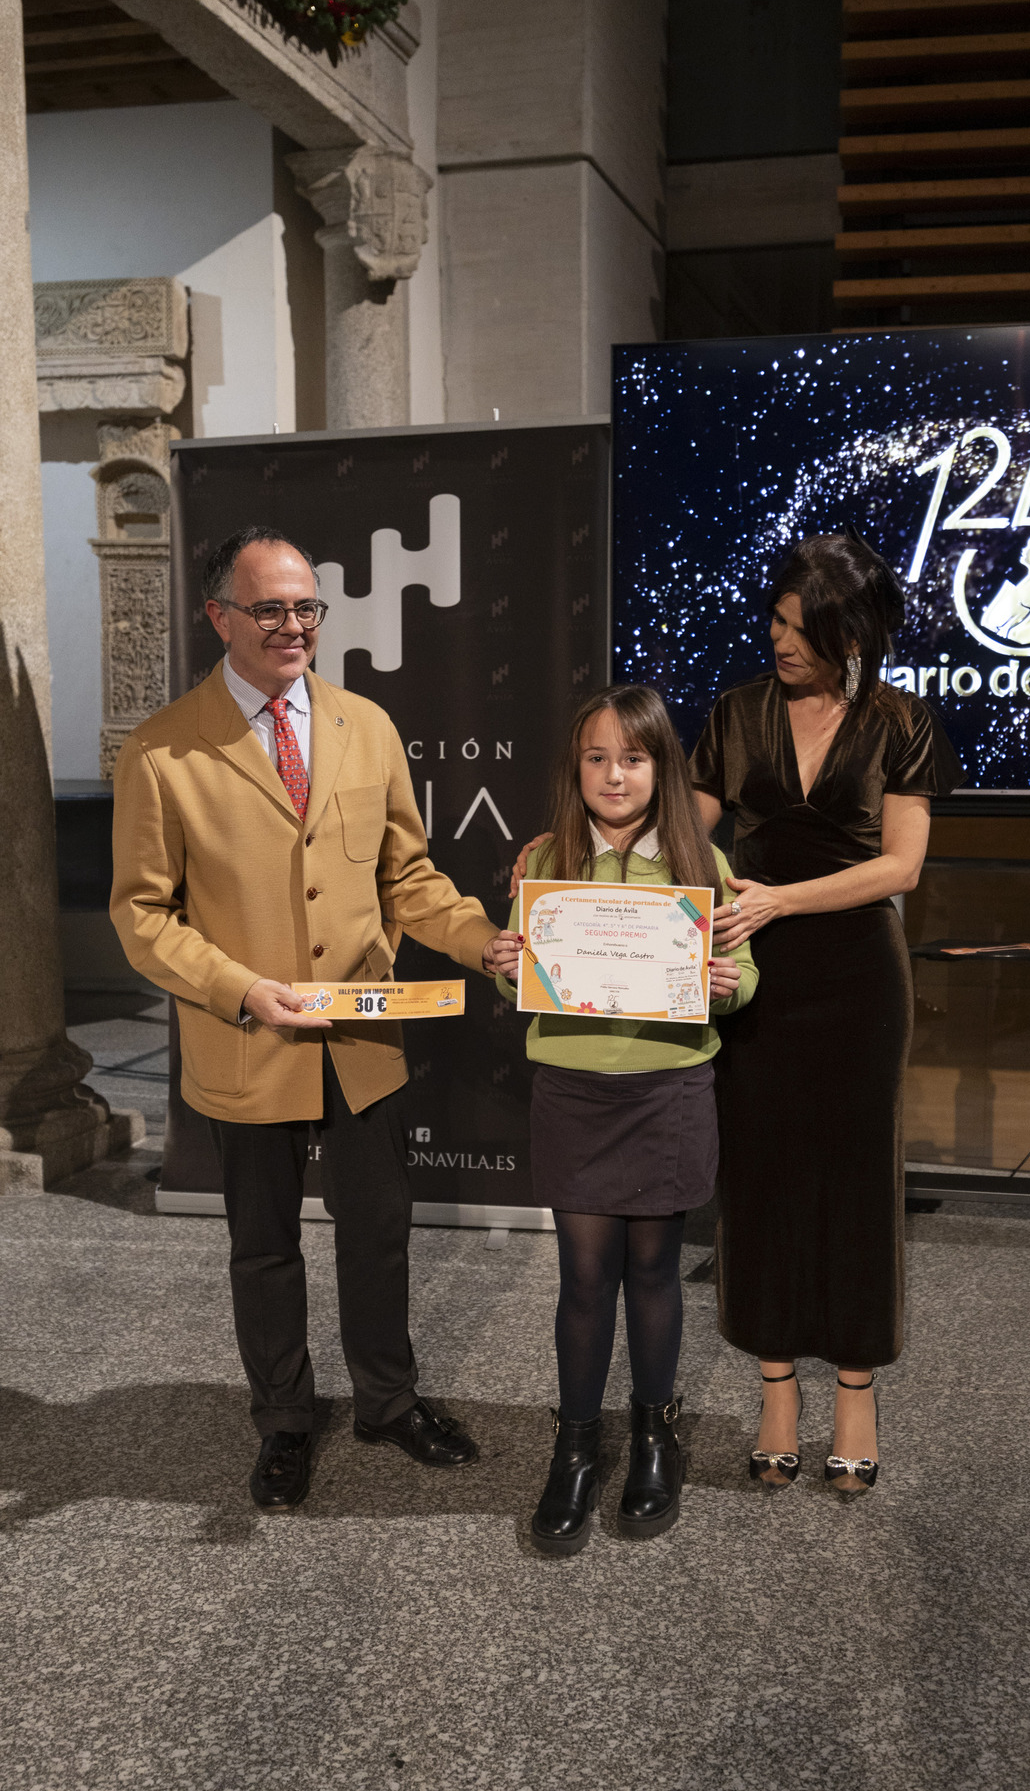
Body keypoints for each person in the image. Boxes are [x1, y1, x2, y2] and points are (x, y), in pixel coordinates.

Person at [110, 526, 508, 1511]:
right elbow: (141, 915)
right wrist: (240, 987)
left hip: (362, 1039)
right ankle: (284, 1421)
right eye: (272, 610)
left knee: (378, 1227)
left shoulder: (366, 725)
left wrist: (483, 941)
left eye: (307, 608)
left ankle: (387, 1401)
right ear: (220, 618)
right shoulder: (163, 751)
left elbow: (408, 879)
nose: (294, 627)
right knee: (264, 1244)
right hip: (250, 1039)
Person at [690, 528, 963, 1494]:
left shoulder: (903, 721)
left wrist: (778, 898)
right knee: (759, 1175)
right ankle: (775, 1391)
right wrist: (573, 852)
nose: (783, 641)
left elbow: (901, 866)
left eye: (804, 629)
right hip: (751, 977)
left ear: (851, 634)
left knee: (854, 1181)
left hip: (855, 978)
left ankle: (854, 1390)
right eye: (775, 621)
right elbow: (682, 834)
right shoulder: (734, 712)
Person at [488, 686, 757, 1555]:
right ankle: (575, 1445)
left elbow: (744, 972)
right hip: (573, 1089)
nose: (614, 774)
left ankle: (652, 1438)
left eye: (632, 758)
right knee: (582, 1276)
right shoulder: (543, 858)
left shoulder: (698, 862)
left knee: (653, 1271)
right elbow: (517, 979)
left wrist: (730, 983)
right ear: (577, 768)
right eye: (597, 757)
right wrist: (504, 963)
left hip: (669, 1090)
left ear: (659, 768)